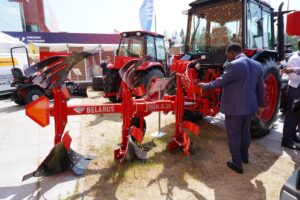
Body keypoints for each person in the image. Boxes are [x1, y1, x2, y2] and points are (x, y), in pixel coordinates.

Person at [197, 43, 264, 174]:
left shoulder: (234, 65)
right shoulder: (257, 65)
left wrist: (204, 86)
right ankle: (245, 157)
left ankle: (237, 164)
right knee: (245, 133)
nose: (227, 58)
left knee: (233, 135)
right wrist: (260, 106)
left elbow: (219, 81)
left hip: (235, 108)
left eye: (228, 55)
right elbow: (260, 88)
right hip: (250, 107)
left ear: (233, 52)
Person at [281, 41, 300, 150]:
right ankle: (286, 140)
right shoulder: (294, 59)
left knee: (297, 115)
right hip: (294, 88)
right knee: (291, 115)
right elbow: (293, 77)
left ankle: (292, 136)